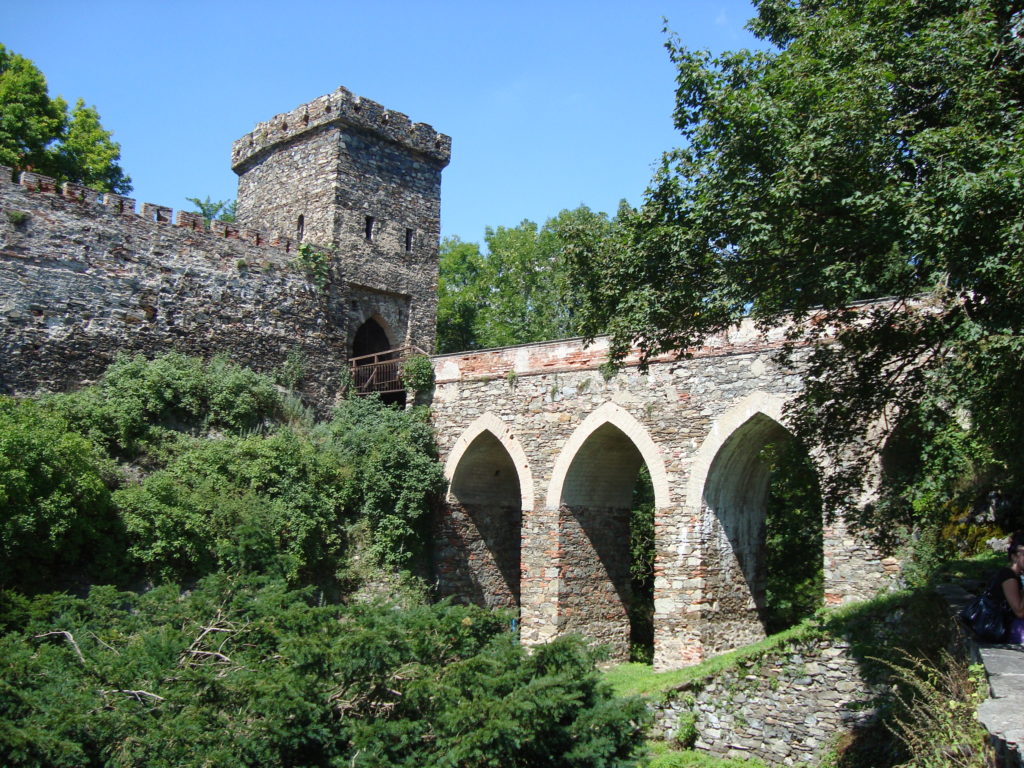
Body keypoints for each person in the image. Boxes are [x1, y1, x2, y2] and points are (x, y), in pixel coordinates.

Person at [987, 531, 1024, 643]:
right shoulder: (1008, 576)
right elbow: (1019, 611)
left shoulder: (1016, 576)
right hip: (1008, 630)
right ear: (1014, 556)